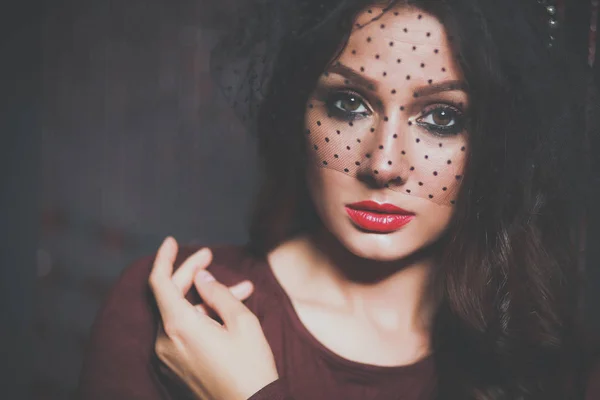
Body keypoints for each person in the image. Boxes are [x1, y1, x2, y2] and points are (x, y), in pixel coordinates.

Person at [77, 0, 600, 399]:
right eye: (348, 104)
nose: (384, 164)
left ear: (492, 141)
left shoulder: (536, 349)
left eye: (442, 118)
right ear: (299, 113)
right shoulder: (172, 316)